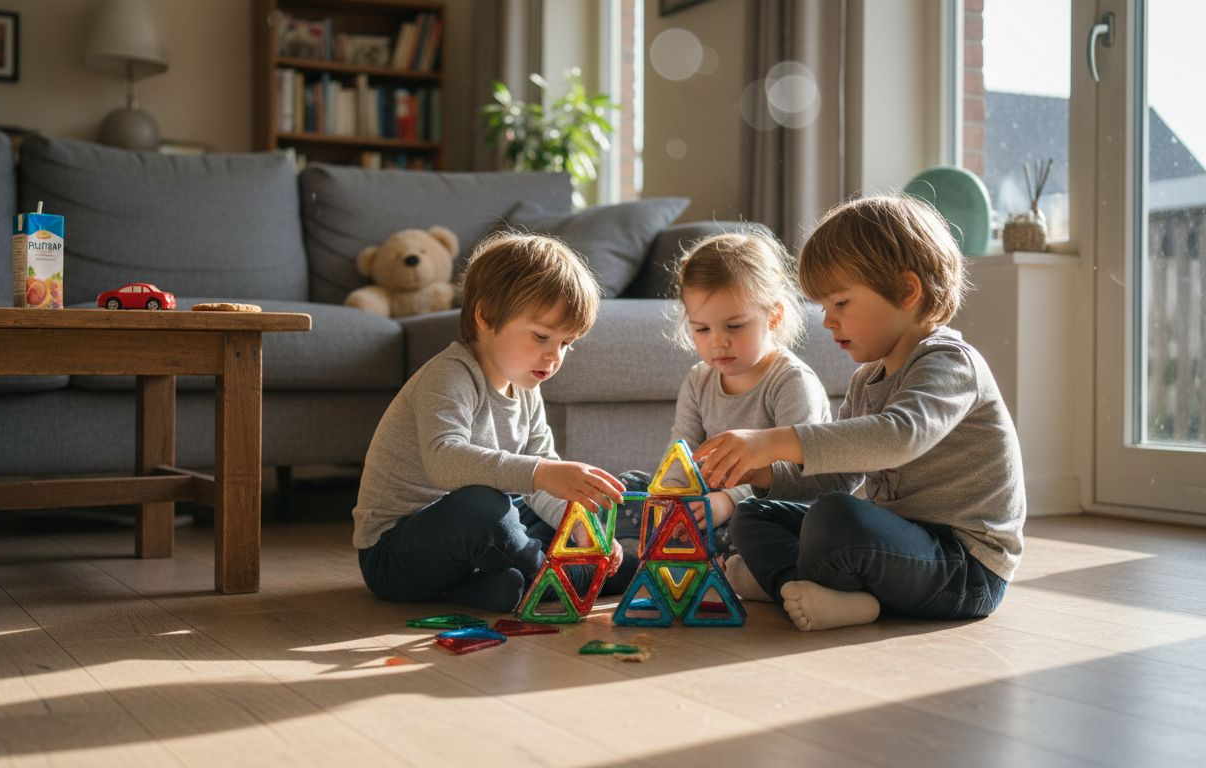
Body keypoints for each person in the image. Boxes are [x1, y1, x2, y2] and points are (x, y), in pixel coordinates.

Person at [695, 194, 1025, 631]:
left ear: (907, 291)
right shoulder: (866, 380)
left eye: (841, 304)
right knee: (755, 513)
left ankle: (813, 589)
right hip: (898, 543)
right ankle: (811, 590)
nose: (828, 321)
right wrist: (764, 474)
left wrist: (772, 440)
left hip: (964, 567)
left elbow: (898, 437)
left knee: (837, 516)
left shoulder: (950, 362)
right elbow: (839, 475)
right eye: (823, 308)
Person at [353, 231, 633, 612]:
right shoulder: (449, 375)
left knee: (584, 533)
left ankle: (499, 585)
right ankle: (561, 575)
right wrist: (543, 473)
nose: (554, 356)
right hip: (395, 554)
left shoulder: (527, 387)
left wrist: (580, 529)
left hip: (477, 544)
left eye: (566, 343)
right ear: (486, 316)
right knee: (485, 508)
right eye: (541, 336)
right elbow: (444, 460)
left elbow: (542, 486)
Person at [618, 230, 831, 595]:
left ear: (774, 316)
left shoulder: (791, 382)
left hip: (765, 511)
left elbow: (799, 480)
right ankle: (639, 559)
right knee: (626, 490)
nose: (718, 341)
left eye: (734, 326)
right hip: (705, 509)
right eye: (701, 329)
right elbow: (678, 456)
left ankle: (721, 570)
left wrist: (728, 501)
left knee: (756, 527)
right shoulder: (699, 380)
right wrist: (674, 503)